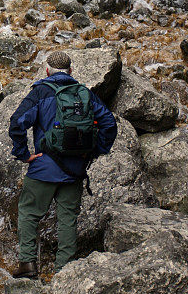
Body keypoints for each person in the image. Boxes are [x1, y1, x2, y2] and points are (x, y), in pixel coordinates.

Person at [9, 50, 117, 279]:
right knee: (67, 220)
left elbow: (17, 122)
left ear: (47, 70)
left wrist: (24, 154)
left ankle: (28, 265)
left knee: (29, 213)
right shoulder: (84, 93)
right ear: (71, 71)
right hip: (75, 170)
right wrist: (96, 151)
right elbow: (108, 122)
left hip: (43, 168)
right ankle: (64, 273)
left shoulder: (40, 92)